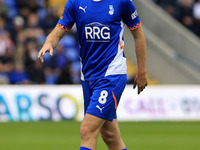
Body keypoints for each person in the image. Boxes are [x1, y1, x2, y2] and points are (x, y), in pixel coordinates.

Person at [38, 0, 147, 149]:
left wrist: (141, 72)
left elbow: (138, 35)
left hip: (111, 75)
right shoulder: (75, 3)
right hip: (88, 77)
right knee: (110, 136)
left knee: (87, 130)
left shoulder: (122, 2)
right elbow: (58, 32)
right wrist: (49, 43)